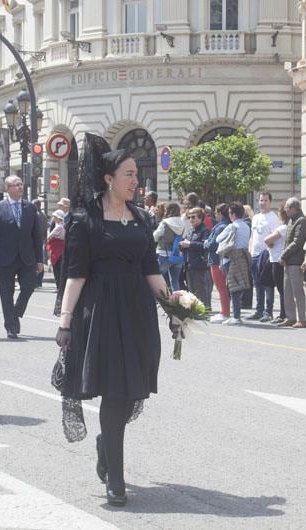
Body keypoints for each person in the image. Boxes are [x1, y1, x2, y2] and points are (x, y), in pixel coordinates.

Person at [53, 133, 168, 507]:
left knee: (132, 388)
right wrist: (66, 320)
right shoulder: (85, 221)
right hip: (100, 312)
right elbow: (75, 273)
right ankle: (116, 478)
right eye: (130, 174)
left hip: (137, 312)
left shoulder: (141, 217)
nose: (137, 181)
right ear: (108, 178)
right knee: (114, 390)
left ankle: (107, 442)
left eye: (137, 174)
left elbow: (151, 268)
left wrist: (174, 306)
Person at [0, 176, 45, 339]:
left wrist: (40, 259)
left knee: (29, 286)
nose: (20, 187)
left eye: (21, 184)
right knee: (6, 293)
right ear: (7, 189)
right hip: (5, 258)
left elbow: (37, 236)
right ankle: (10, 326)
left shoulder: (30, 208)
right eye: (16, 185)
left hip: (27, 258)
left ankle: (17, 311)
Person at [216, 202, 252, 325]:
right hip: (243, 257)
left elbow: (218, 239)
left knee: (233, 287)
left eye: (230, 213)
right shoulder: (247, 227)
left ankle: (236, 316)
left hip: (231, 258)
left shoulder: (232, 226)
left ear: (233, 214)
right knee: (239, 285)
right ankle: (236, 314)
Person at [248, 192, 280, 321]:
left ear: (270, 202)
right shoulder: (255, 217)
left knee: (267, 284)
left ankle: (268, 311)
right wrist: (250, 251)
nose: (263, 203)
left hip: (266, 255)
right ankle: (259, 310)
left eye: (265, 200)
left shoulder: (273, 218)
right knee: (257, 284)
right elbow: (253, 236)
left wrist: (269, 248)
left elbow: (276, 237)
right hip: (254, 255)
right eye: (261, 200)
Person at [279, 197, 306, 328]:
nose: (285, 210)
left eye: (286, 208)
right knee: (287, 291)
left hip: (296, 261)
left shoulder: (301, 221)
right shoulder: (292, 220)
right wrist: (285, 257)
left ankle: (302, 319)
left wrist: (283, 255)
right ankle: (291, 317)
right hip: (289, 261)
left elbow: (297, 242)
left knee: (298, 292)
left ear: (293, 208)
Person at [153, 202, 187, 293]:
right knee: (175, 281)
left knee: (157, 278)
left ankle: (161, 299)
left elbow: (155, 237)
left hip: (164, 254)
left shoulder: (165, 223)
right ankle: (177, 303)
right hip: (177, 255)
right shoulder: (182, 223)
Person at [206, 204, 232, 323]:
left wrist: (206, 243)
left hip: (216, 259)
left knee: (221, 287)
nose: (215, 215)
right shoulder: (224, 225)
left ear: (221, 213)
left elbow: (212, 244)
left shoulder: (221, 226)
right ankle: (224, 311)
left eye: (216, 213)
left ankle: (225, 312)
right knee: (222, 287)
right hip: (220, 259)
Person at [180, 207, 211, 307]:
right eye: (189, 217)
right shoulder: (191, 230)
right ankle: (195, 310)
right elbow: (187, 243)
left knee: (200, 289)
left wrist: (190, 244)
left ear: (200, 217)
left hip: (199, 264)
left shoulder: (204, 230)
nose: (191, 220)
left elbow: (205, 246)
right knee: (192, 290)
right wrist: (182, 245)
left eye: (193, 217)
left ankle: (203, 310)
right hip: (189, 264)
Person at [265, 206, 289, 324]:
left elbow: (267, 239)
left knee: (281, 289)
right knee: (281, 289)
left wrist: (269, 243)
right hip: (277, 259)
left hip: (277, 259)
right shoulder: (287, 227)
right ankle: (283, 313)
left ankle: (283, 314)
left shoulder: (283, 227)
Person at [47, 209, 67, 292]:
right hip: (61, 249)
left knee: (57, 269)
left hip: (57, 250)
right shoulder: (63, 225)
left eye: (55, 217)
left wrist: (48, 231)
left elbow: (49, 237)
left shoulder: (58, 227)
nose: (54, 218)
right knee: (59, 268)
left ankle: (59, 287)